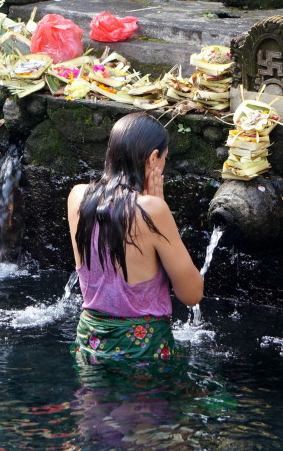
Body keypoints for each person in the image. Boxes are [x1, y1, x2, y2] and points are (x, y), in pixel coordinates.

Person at [67, 112, 203, 367]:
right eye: (163, 158)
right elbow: (192, 294)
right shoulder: (152, 210)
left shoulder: (77, 196)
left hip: (90, 343)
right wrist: (159, 205)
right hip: (143, 351)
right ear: (153, 158)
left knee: (93, 406)